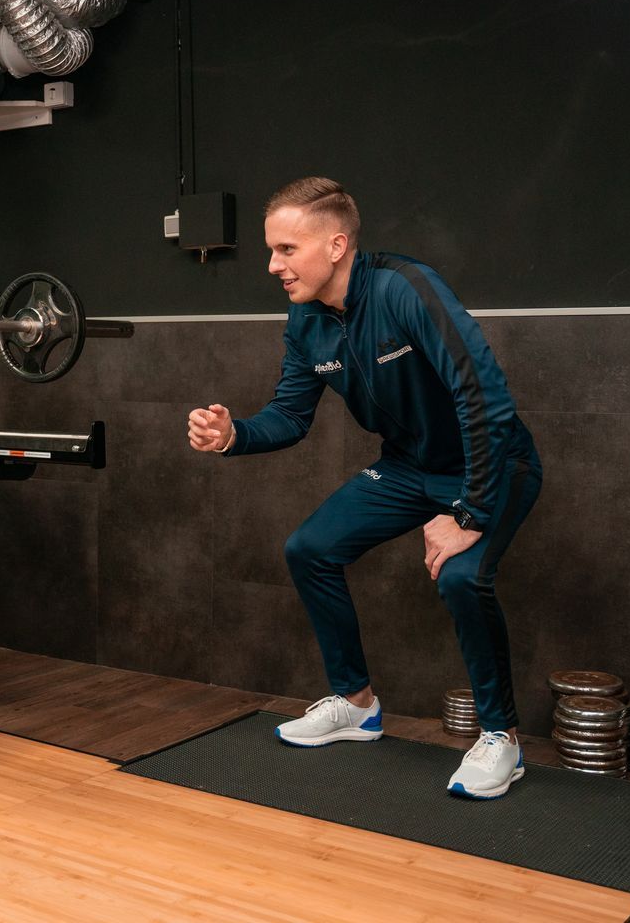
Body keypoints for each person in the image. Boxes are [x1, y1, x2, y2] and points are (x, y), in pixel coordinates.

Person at [186, 177, 542, 800]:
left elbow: (482, 394)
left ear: (336, 244)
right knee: (310, 548)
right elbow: (291, 416)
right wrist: (233, 436)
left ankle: (502, 739)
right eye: (272, 250)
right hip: (408, 465)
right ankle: (355, 704)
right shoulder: (305, 320)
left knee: (461, 578)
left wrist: (470, 510)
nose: (273, 265)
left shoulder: (406, 290)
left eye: (287, 250)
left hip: (493, 463)